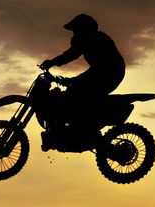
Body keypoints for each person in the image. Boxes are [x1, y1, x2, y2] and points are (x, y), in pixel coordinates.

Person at [40, 14, 126, 149]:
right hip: (103, 73)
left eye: (75, 30)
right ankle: (73, 131)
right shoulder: (91, 39)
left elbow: (79, 58)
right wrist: (56, 66)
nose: (74, 34)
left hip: (109, 74)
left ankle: (86, 132)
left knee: (77, 94)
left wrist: (54, 64)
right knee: (74, 91)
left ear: (83, 29)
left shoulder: (94, 39)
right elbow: (76, 57)